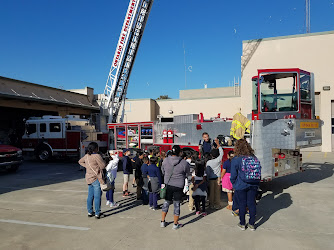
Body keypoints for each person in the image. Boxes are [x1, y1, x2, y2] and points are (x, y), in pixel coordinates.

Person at [230, 139, 261, 231]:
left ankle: (242, 223)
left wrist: (234, 184)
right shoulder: (254, 157)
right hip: (253, 184)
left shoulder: (236, 159)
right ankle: (252, 224)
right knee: (252, 203)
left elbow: (233, 175)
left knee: (242, 204)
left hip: (241, 185)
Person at [161, 145, 190, 230]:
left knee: (166, 202)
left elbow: (163, 171)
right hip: (178, 185)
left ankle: (162, 221)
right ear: (179, 152)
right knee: (176, 204)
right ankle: (175, 224)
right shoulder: (184, 163)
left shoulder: (165, 160)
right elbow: (188, 173)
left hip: (168, 184)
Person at [78, 142, 106, 219]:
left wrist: (87, 166)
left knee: (90, 196)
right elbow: (103, 166)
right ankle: (97, 213)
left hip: (89, 178)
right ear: (96, 148)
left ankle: (90, 212)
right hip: (96, 178)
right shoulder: (97, 156)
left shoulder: (87, 156)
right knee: (97, 196)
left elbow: (80, 161)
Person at [206, 138, 223, 209]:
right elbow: (222, 152)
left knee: (211, 192)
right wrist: (218, 145)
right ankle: (217, 204)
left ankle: (211, 204)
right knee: (217, 192)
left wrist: (207, 179)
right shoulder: (218, 160)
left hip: (211, 178)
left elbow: (207, 172)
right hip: (217, 178)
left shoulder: (209, 162)